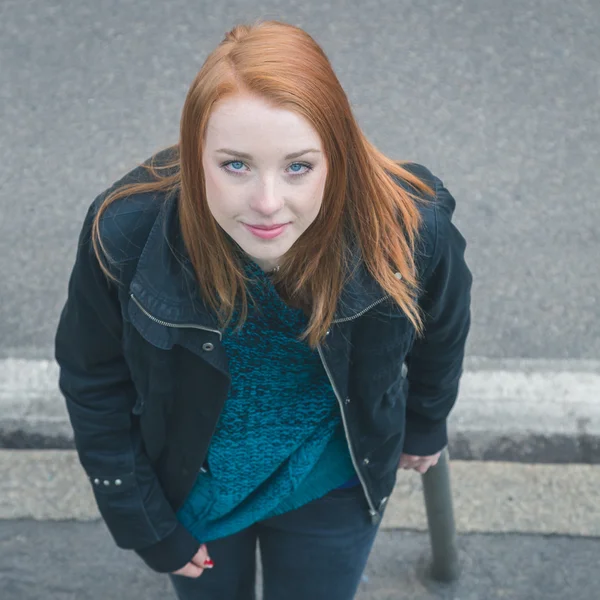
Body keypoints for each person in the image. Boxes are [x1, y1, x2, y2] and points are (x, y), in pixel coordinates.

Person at [54, 18, 472, 600]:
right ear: (194, 154)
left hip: (331, 486)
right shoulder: (126, 233)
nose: (268, 204)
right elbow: (93, 380)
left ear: (338, 154)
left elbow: (442, 330)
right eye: (235, 165)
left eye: (299, 166)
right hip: (194, 495)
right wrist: (145, 526)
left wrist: (427, 422)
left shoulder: (406, 228)